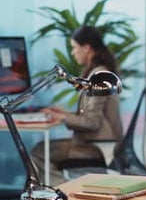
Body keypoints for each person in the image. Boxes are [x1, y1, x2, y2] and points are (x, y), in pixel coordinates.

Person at [31, 26, 123, 186]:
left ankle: (65, 192)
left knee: (38, 152)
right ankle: (61, 193)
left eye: (74, 48)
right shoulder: (99, 72)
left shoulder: (98, 76)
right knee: (41, 149)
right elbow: (90, 115)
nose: (73, 53)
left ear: (86, 48)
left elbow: (92, 122)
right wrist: (63, 114)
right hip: (95, 142)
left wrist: (62, 117)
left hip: (96, 147)